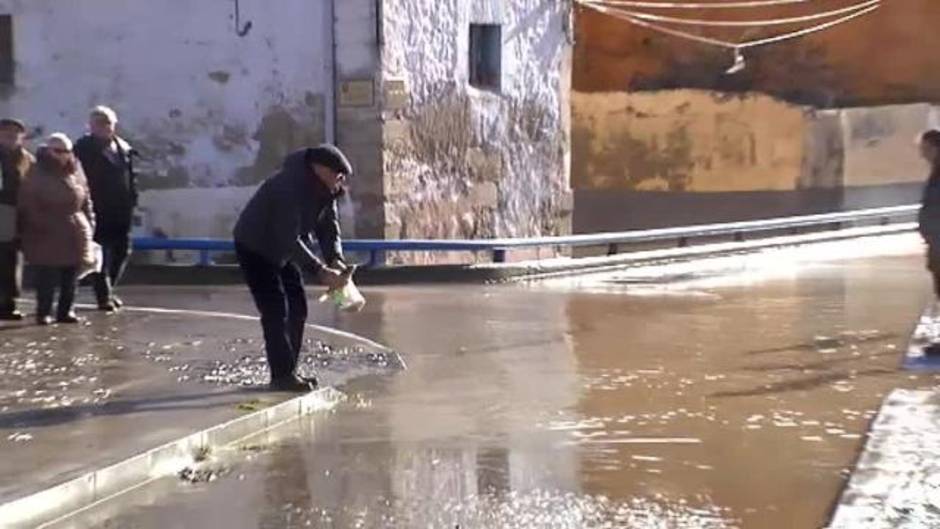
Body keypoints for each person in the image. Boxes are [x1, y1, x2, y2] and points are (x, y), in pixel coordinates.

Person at [233, 144, 353, 392]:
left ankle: (290, 371)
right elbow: (286, 236)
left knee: (298, 307)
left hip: (284, 249)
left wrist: (335, 259)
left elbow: (328, 227)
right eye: (337, 174)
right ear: (319, 169)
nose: (340, 180)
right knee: (276, 309)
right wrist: (320, 270)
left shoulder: (325, 190)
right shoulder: (288, 187)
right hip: (256, 246)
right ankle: (282, 377)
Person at [18, 133, 95, 325]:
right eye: (58, 151)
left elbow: (86, 198)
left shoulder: (75, 171)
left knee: (71, 274)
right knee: (47, 274)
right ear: (48, 151)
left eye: (67, 151)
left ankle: (66, 310)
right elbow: (28, 202)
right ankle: (43, 311)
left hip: (75, 230)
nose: (62, 155)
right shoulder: (37, 172)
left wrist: (89, 222)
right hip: (46, 230)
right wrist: (39, 224)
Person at [74, 105, 137, 312]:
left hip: (121, 209)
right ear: (91, 126)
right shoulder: (82, 148)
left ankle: (109, 289)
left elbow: (130, 177)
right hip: (96, 208)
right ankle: (104, 296)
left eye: (107, 122)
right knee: (99, 254)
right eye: (98, 123)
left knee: (122, 252)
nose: (103, 127)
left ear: (114, 125)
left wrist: (133, 199)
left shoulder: (123, 148)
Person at [0, 118, 34, 321]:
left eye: (15, 134)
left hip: (19, 212)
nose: (10, 137)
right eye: (5, 133)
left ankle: (9, 303)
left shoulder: (27, 159)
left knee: (12, 260)